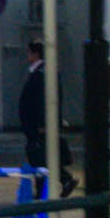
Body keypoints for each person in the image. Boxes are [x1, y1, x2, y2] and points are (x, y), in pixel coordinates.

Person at [18, 40, 78, 198]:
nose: (27, 55)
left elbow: (40, 100)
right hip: (39, 124)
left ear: (35, 54)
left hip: (38, 125)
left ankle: (51, 185)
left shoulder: (41, 74)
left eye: (29, 52)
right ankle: (57, 182)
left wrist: (41, 123)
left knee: (39, 156)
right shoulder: (46, 72)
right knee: (43, 156)